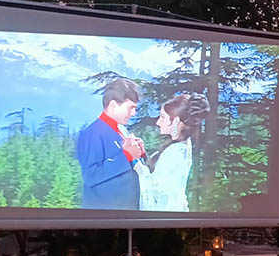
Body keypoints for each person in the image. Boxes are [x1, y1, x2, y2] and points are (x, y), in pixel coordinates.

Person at [76, 78, 146, 210]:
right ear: (113, 105)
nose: (133, 113)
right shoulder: (92, 134)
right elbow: (90, 176)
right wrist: (126, 156)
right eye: (130, 107)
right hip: (103, 219)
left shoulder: (122, 130)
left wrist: (139, 153)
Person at [136, 93, 210, 212]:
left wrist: (136, 164)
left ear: (175, 121)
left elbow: (155, 193)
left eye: (162, 117)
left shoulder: (175, 152)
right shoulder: (183, 145)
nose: (158, 122)